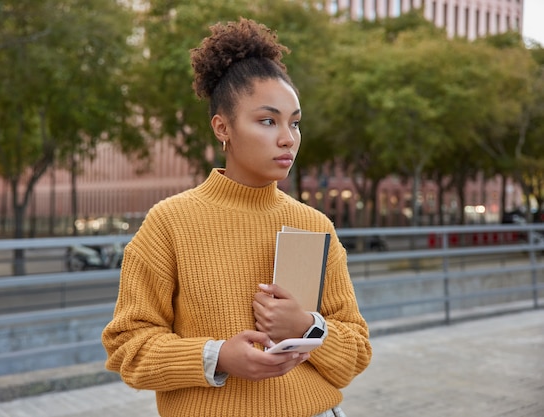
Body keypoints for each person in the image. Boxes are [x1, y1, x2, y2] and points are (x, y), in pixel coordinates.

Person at [102, 18, 371, 417]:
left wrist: (306, 326)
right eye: (268, 121)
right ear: (222, 127)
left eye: (294, 122)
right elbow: (128, 347)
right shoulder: (170, 223)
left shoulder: (315, 225)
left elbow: (356, 353)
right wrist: (218, 357)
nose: (288, 138)